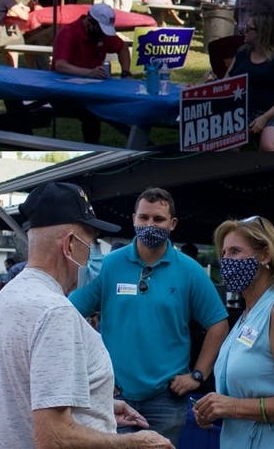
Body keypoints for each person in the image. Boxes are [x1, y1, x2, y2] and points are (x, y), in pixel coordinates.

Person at [0, 182, 173, 449]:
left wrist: (100, 404)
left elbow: (29, 392)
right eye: (91, 242)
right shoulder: (55, 312)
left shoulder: (8, 296)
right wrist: (132, 443)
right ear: (70, 245)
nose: (91, 253)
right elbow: (53, 437)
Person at [69, 188, 228, 444]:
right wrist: (90, 371)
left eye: (158, 219)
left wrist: (198, 375)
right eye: (144, 218)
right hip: (114, 394)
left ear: (172, 224)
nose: (149, 224)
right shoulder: (111, 265)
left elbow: (218, 323)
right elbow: (71, 312)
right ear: (133, 219)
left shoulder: (189, 270)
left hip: (165, 399)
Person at [192, 216, 274, 446]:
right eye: (224, 253)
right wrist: (215, 409)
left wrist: (233, 407)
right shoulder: (247, 314)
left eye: (235, 251)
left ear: (265, 255)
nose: (226, 261)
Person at [51, 3, 134, 141]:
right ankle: (92, 147)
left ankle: (136, 135)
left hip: (95, 88)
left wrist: (125, 72)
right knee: (91, 114)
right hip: (65, 90)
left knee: (121, 105)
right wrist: (88, 73)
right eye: (100, 29)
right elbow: (60, 65)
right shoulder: (69, 33)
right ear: (89, 21)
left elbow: (122, 48)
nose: (102, 34)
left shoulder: (101, 33)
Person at [223, 13, 274, 151]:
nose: (243, 31)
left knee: (269, 145)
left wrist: (265, 117)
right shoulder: (242, 53)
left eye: (248, 29)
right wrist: (203, 88)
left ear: (262, 32)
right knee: (226, 143)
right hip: (243, 110)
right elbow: (225, 83)